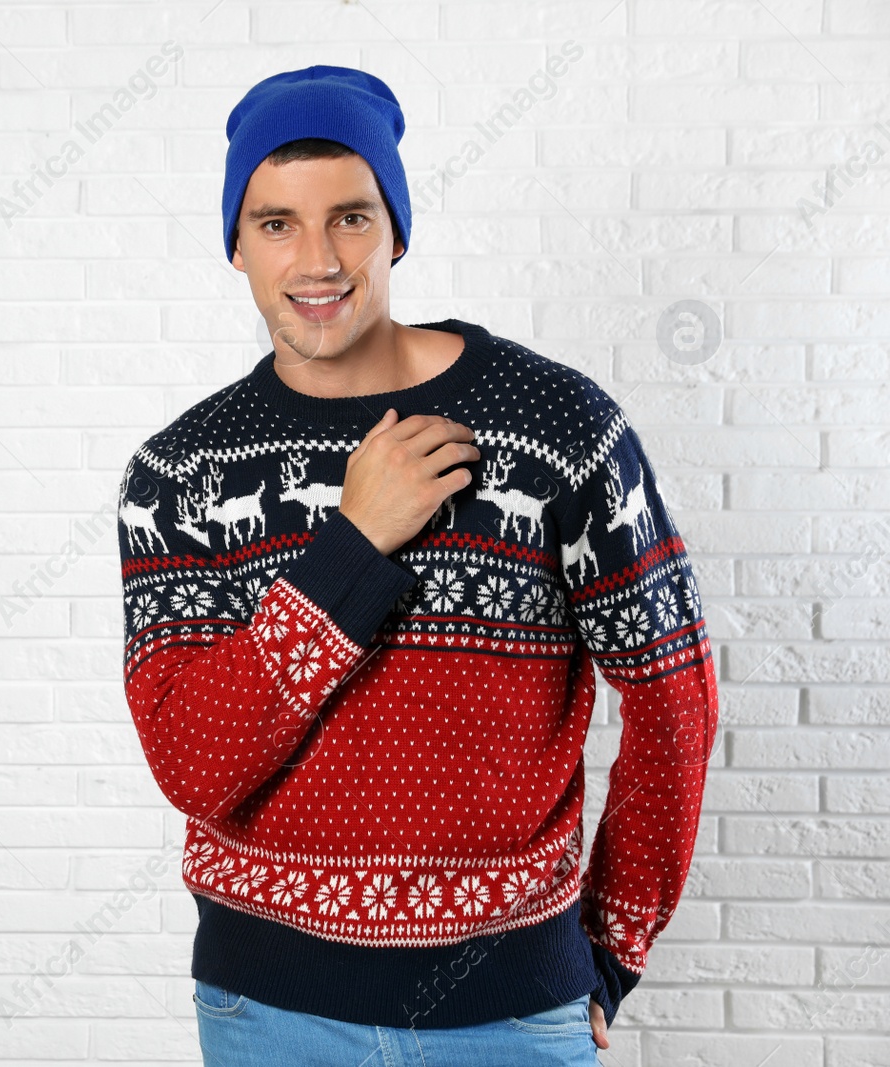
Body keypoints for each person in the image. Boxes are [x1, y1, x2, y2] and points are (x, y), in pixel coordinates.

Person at [116, 65, 719, 1067]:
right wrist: (349, 547)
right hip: (267, 1014)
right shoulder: (178, 473)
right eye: (275, 223)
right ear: (234, 243)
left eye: (349, 216)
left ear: (395, 226)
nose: (317, 259)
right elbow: (194, 764)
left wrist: (610, 950)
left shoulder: (558, 428)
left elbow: (673, 697)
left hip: (513, 1017)